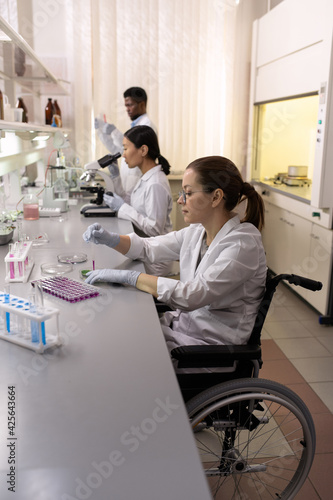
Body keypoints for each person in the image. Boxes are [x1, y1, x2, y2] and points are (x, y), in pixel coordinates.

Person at [83, 156, 267, 368]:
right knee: (121, 337)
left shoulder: (242, 245)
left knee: (126, 359)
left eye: (188, 193)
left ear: (216, 197)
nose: (180, 200)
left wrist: (131, 277)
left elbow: (192, 295)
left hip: (209, 350)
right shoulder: (198, 231)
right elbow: (149, 247)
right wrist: (111, 239)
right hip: (185, 330)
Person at [92, 125, 173, 276]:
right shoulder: (146, 176)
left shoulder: (155, 184)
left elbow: (154, 229)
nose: (123, 155)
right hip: (144, 249)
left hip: (155, 260)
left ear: (143, 150)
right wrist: (115, 177)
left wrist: (122, 208)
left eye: (125, 148)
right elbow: (128, 200)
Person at [95, 87, 157, 195]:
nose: (127, 109)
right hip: (129, 182)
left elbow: (131, 146)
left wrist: (114, 131)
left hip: (137, 178)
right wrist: (101, 132)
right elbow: (119, 149)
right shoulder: (136, 125)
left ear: (142, 104)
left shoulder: (146, 126)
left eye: (130, 105)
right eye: (126, 106)